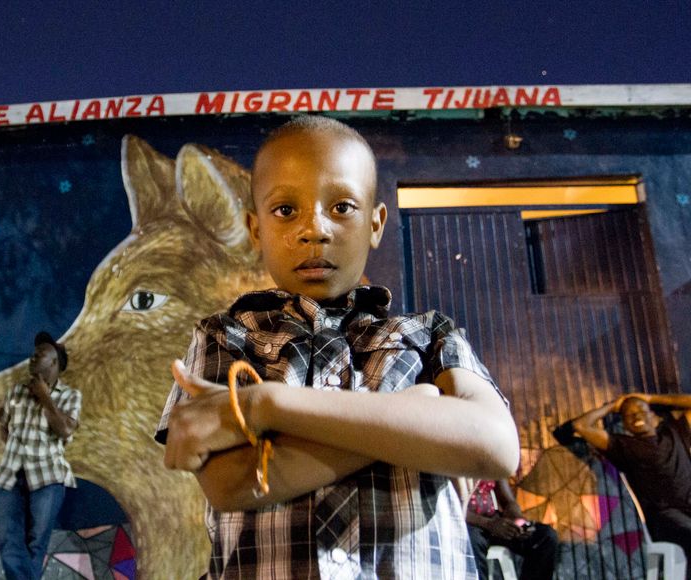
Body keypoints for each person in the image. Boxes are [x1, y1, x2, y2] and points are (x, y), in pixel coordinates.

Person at [157, 116, 519, 578]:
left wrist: (271, 405)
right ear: (255, 230)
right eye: (285, 211)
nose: (315, 230)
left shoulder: (430, 335)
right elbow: (230, 483)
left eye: (343, 206)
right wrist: (412, 419)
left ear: (375, 222)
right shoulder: (226, 335)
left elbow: (495, 444)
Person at [0, 331, 82, 580]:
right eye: (33, 354)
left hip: (48, 479)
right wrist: (17, 450)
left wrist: (45, 397)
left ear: (54, 362)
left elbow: (64, 429)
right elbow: (3, 427)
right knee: (9, 543)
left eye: (40, 354)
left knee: (35, 547)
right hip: (12, 475)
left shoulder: (70, 396)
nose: (33, 358)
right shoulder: (15, 392)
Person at [572, 393, 691, 567]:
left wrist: (650, 399)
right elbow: (580, 425)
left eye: (641, 411)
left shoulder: (674, 431)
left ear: (652, 415)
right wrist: (613, 406)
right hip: (667, 516)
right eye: (629, 415)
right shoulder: (623, 446)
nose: (636, 416)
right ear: (625, 424)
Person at [465, 479, 558, 580]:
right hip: (469, 524)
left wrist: (519, 522)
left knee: (545, 536)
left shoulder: (493, 464)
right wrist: (489, 524)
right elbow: (454, 509)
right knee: (471, 541)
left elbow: (508, 501)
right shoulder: (453, 464)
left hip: (493, 520)